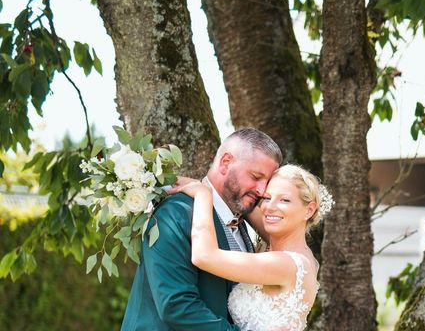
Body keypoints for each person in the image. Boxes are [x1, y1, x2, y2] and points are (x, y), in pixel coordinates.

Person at [121, 128, 282, 331]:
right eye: (256, 176)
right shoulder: (175, 213)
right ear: (225, 163)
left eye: (266, 181)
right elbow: (176, 306)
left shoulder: (241, 224)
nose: (262, 190)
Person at [167, 164, 333, 331]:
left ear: (309, 210)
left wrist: (203, 194)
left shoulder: (286, 264)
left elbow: (204, 256)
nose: (270, 207)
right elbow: (242, 204)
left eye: (285, 200)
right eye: (267, 198)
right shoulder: (285, 244)